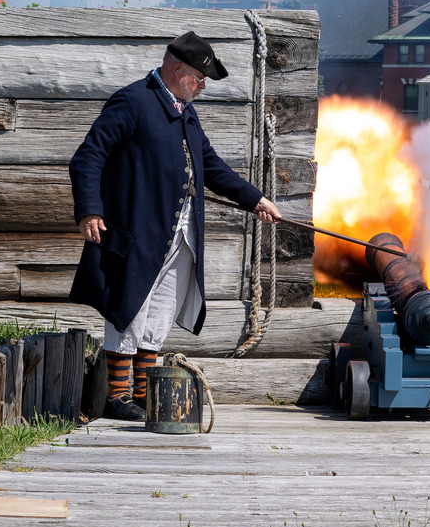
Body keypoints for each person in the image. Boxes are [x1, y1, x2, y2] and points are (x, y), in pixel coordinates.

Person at [66, 31, 280, 423]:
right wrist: (89, 211)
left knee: (160, 312)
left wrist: (255, 199)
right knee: (130, 310)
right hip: (137, 232)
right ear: (177, 68)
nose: (201, 88)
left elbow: (211, 166)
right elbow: (88, 157)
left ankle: (145, 396)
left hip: (181, 235)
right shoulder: (133, 101)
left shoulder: (186, 111)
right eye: (198, 79)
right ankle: (116, 396)